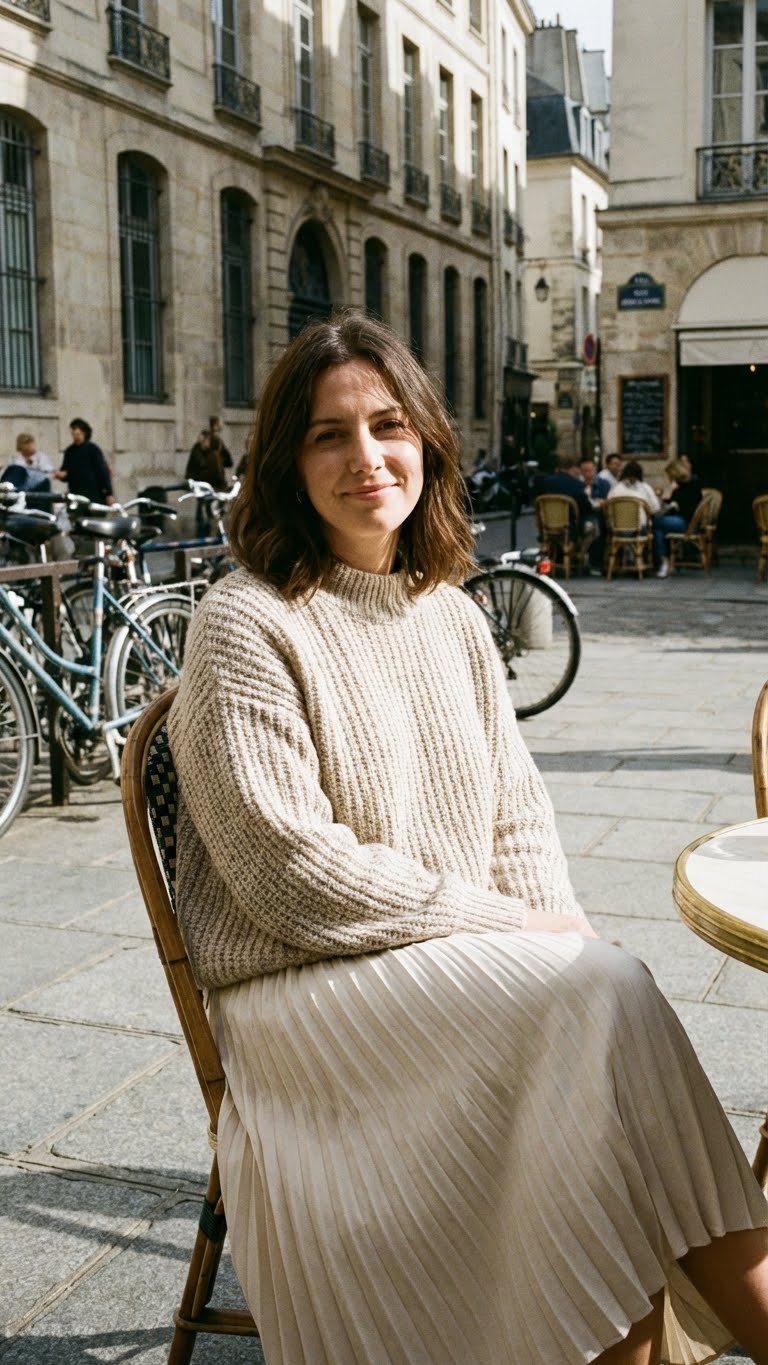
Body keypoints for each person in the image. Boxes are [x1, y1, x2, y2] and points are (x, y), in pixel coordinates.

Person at [168, 312, 768, 1365]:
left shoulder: (447, 613)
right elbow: (287, 873)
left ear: (427, 444)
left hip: (444, 961)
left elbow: (515, 816)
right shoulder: (244, 620)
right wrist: (515, 928)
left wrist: (555, 928)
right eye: (328, 435)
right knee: (602, 1003)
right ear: (285, 463)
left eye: (388, 425)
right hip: (301, 990)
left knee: (594, 1016)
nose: (366, 456)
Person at [535, 453, 599, 569]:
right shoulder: (576, 485)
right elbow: (586, 508)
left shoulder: (544, 482)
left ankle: (550, 562)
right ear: (572, 468)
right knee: (593, 527)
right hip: (569, 529)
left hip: (547, 527)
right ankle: (578, 556)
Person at [185, 425, 233, 534]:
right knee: (204, 516)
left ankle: (212, 535)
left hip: (215, 489)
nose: (204, 443)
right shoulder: (198, 450)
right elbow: (195, 468)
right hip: (203, 489)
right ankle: (203, 534)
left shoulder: (215, 453)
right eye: (202, 441)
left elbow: (229, 463)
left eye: (206, 440)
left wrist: (222, 447)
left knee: (214, 516)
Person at [55, 419, 114, 506]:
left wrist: (108, 493)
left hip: (94, 495)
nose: (73, 432)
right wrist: (61, 475)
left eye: (76, 429)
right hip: (76, 495)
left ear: (84, 432)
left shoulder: (93, 449)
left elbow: (102, 472)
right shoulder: (69, 451)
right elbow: (66, 473)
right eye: (72, 429)